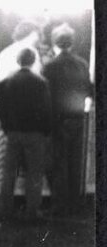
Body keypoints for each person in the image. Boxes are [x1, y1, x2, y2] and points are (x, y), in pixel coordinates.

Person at [42, 23, 92, 216]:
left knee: (57, 163)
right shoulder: (82, 64)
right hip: (78, 119)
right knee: (74, 163)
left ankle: (59, 205)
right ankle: (74, 204)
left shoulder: (50, 66)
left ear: (55, 42)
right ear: (71, 42)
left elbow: (44, 95)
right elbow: (88, 90)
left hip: (57, 120)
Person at [0, 47, 52, 221]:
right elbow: (46, 110)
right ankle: (32, 211)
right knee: (34, 174)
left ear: (18, 60)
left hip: (13, 133)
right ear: (33, 60)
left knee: (9, 174)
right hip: (35, 134)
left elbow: (1, 110)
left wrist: (7, 128)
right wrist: (45, 131)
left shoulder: (6, 82)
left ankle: (5, 210)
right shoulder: (41, 82)